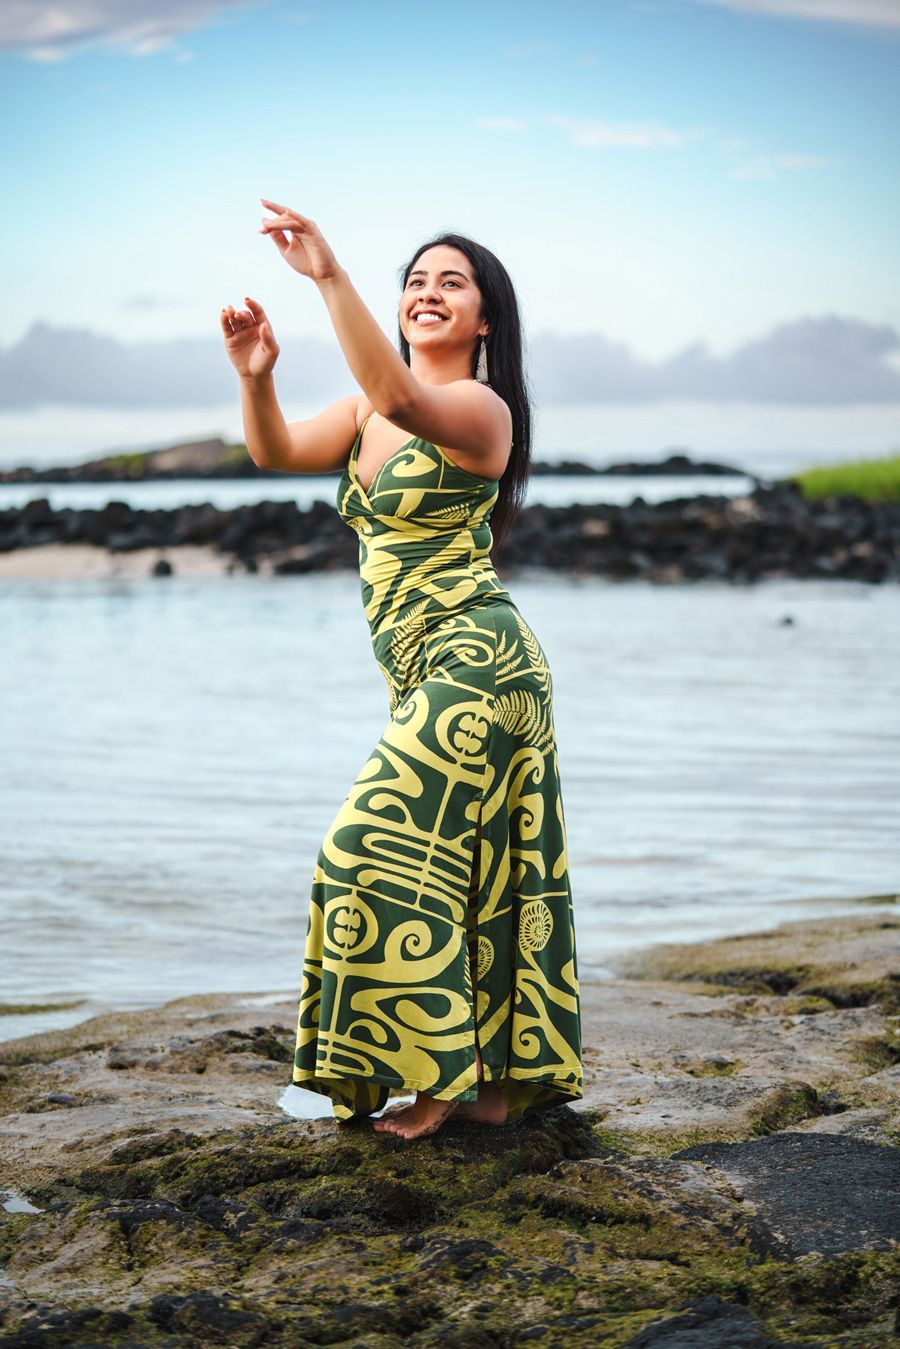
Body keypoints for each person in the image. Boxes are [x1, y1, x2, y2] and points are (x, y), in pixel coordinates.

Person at [220, 200, 582, 1140]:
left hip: (481, 658)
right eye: (414, 281)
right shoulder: (359, 412)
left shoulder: (477, 409)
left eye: (449, 283)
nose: (427, 294)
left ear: (485, 318)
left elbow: (402, 400)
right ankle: (495, 1079)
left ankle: (440, 1080)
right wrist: (256, 377)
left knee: (366, 845)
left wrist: (329, 278)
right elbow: (271, 449)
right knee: (476, 868)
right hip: (423, 671)